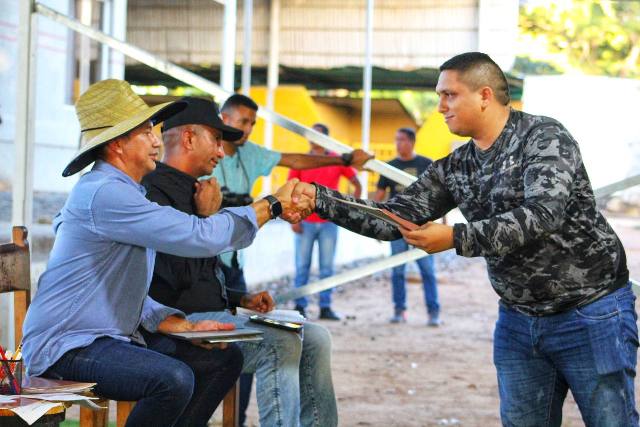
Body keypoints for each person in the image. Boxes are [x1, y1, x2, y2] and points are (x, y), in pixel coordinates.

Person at [290, 52, 638, 426]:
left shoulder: (543, 137)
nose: (440, 107)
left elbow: (542, 215)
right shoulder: (457, 166)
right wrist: (319, 199)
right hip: (519, 321)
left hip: (591, 311)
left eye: (449, 95)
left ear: (484, 95)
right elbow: (394, 220)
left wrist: (456, 237)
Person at [20, 80, 312, 427]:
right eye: (146, 133)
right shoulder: (106, 193)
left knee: (224, 359)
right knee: (172, 378)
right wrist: (272, 205)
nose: (157, 140)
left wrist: (180, 324)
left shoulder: (127, 193)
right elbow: (197, 235)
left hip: (108, 338)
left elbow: (118, 289)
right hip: (66, 346)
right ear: (117, 143)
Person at [142, 97, 338, 427]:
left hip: (211, 312)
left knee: (317, 338)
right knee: (281, 343)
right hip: (174, 322)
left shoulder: (199, 189)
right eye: (216, 140)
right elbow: (172, 282)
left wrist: (240, 297)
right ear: (189, 138)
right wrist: (205, 218)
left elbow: (204, 276)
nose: (221, 151)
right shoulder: (154, 192)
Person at [206, 93, 372, 419]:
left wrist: (341, 159)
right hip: (202, 266)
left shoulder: (249, 154)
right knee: (235, 344)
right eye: (242, 121)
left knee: (254, 343)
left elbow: (294, 160)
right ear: (223, 119)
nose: (248, 128)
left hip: (233, 266)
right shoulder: (203, 159)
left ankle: (236, 418)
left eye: (252, 123)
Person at [289, 123, 362, 321]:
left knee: (327, 267)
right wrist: (292, 219)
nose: (314, 139)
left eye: (318, 135)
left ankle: (325, 307)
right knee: (302, 265)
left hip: (329, 221)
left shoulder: (335, 160)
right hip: (304, 221)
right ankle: (299, 306)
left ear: (326, 139)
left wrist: (348, 209)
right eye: (311, 135)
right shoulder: (302, 161)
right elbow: (290, 188)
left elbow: (357, 184)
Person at [374, 128, 440, 326]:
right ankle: (399, 310)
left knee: (427, 271)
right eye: (396, 140)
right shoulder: (389, 167)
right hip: (396, 228)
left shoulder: (426, 164)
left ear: (411, 142)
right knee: (397, 271)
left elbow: (438, 193)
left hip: (423, 226)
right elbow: (379, 196)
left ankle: (433, 312)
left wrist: (442, 221)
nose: (398, 143)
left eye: (401, 140)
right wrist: (374, 223)